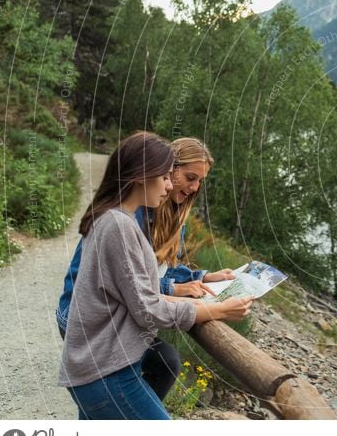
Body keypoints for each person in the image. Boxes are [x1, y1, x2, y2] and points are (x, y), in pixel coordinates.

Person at [58, 131, 252, 420]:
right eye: (183, 177)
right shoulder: (124, 222)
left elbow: (152, 273)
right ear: (145, 174)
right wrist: (213, 309)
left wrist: (201, 278)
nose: (187, 186)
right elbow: (142, 296)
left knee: (164, 362)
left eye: (200, 181)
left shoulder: (118, 215)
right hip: (97, 338)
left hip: (105, 347)